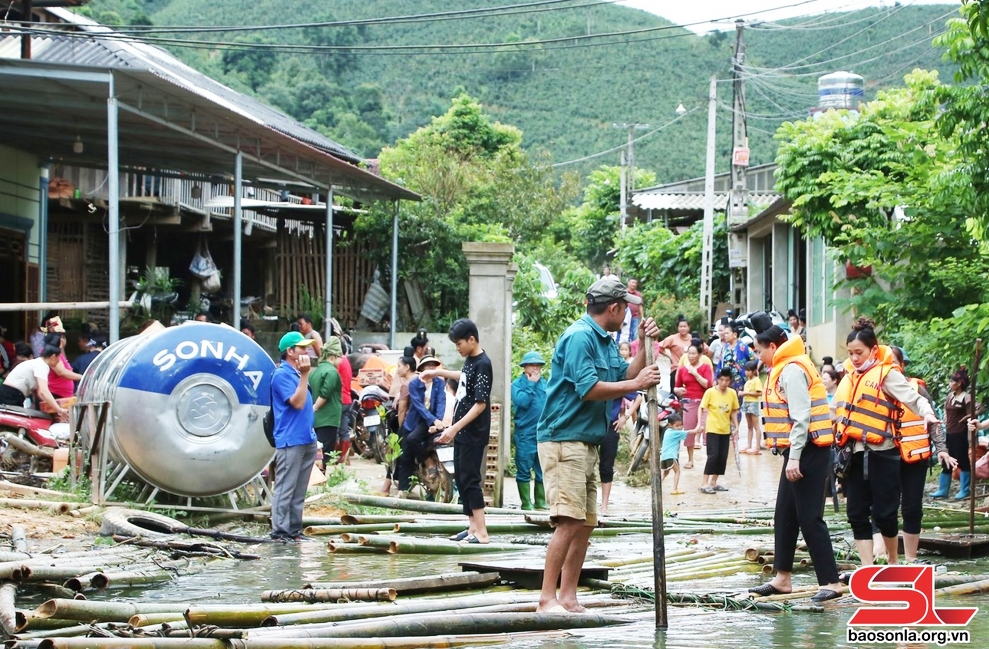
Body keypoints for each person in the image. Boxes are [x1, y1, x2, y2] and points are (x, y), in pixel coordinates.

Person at [535, 276, 662, 613]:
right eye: (627, 312)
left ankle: (569, 595)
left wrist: (642, 343)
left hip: (587, 440)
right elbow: (588, 388)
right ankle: (547, 597)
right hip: (564, 439)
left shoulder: (604, 340)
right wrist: (637, 382)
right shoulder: (579, 337)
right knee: (568, 520)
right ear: (614, 308)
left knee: (586, 522)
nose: (628, 317)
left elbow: (622, 376)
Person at [748, 314, 843, 602]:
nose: (758, 355)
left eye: (760, 350)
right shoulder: (784, 367)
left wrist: (794, 458)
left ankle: (831, 581)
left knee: (810, 517)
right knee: (784, 515)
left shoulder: (791, 370)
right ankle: (782, 578)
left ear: (774, 347)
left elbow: (801, 418)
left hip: (808, 450)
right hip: (797, 450)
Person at [833, 317, 939, 566]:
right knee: (856, 513)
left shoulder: (887, 375)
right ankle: (867, 567)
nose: (855, 358)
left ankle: (893, 561)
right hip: (854, 453)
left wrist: (928, 414)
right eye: (850, 353)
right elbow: (833, 412)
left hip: (883, 453)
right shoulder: (848, 378)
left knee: (886, 514)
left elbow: (914, 399)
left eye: (859, 352)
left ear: (873, 349)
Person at [421, 319, 493, 544]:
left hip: (472, 431)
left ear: (472, 339)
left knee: (470, 478)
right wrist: (438, 373)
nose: (457, 347)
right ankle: (472, 527)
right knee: (461, 477)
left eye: (459, 343)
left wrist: (454, 427)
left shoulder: (483, 363)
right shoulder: (471, 361)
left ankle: (482, 532)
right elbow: (463, 379)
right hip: (462, 430)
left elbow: (480, 404)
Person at [890, 346, 954, 563]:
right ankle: (883, 557)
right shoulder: (876, 388)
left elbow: (934, 423)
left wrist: (942, 449)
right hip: (885, 457)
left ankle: (910, 558)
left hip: (915, 457)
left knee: (911, 507)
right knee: (883, 507)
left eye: (894, 362)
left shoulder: (916, 389)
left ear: (902, 365)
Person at [269, 331, 319, 542]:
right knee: (285, 488)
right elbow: (297, 403)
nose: (306, 350)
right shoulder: (282, 375)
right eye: (301, 348)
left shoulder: (298, 374)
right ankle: (280, 532)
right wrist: (306, 374)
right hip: (291, 440)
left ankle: (293, 531)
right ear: (289, 352)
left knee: (299, 490)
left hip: (307, 438)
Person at [396, 356, 447, 494]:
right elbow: (418, 406)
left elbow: (442, 402)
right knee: (406, 454)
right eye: (427, 366)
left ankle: (430, 462)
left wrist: (438, 421)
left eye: (433, 366)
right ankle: (403, 489)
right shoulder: (414, 384)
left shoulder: (439, 383)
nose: (430, 368)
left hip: (432, 421)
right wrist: (433, 421)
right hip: (415, 421)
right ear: (422, 368)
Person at [512, 351, 548, 511]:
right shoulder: (517, 384)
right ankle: (526, 503)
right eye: (532, 365)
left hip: (542, 434)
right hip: (525, 434)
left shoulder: (546, 384)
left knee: (542, 470)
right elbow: (522, 402)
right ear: (524, 367)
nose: (535, 368)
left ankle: (540, 501)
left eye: (538, 365)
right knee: (524, 469)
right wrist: (531, 385)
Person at [694, 368, 740, 494]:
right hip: (713, 429)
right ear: (718, 380)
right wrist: (699, 423)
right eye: (722, 380)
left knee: (722, 456)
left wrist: (736, 426)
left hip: (725, 429)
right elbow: (701, 408)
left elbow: (734, 411)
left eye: (727, 380)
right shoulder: (710, 392)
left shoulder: (732, 393)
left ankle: (713, 482)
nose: (724, 383)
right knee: (713, 455)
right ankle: (704, 483)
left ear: (730, 381)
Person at [932, 367, 973, 499]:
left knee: (962, 460)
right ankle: (943, 490)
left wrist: (967, 418)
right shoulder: (950, 396)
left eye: (951, 381)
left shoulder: (966, 397)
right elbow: (946, 410)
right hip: (949, 432)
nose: (950, 384)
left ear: (959, 383)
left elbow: (978, 409)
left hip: (960, 434)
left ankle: (965, 489)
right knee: (946, 460)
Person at [0, 346, 68, 420]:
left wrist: (53, 406)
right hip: (11, 394)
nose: (59, 362)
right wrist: (59, 410)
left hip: (12, 393)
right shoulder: (42, 365)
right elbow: (44, 391)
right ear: (53, 357)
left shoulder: (38, 363)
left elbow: (40, 394)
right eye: (59, 359)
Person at [674, 342, 713, 469]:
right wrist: (678, 391)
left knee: (707, 429)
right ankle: (690, 459)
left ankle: (709, 459)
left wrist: (695, 373)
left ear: (700, 354)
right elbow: (676, 386)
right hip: (688, 402)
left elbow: (708, 384)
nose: (690, 356)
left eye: (693, 353)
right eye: (689, 353)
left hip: (704, 402)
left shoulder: (705, 367)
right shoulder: (683, 369)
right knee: (689, 430)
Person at [309, 339, 343, 470]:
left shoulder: (316, 369)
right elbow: (325, 393)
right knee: (323, 456)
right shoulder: (332, 372)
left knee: (315, 453)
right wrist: (315, 408)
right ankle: (319, 482)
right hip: (328, 418)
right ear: (334, 356)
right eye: (340, 357)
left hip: (316, 420)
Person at [42, 320, 81, 399]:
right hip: (56, 395)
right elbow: (61, 372)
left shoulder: (58, 353)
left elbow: (65, 366)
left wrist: (61, 348)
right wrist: (83, 377)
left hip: (62, 395)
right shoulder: (50, 353)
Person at [716, 320, 751, 395]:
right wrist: (716, 378)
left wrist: (749, 373)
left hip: (739, 381)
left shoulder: (742, 347)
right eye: (724, 333)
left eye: (727, 333)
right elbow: (720, 363)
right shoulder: (725, 347)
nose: (725, 335)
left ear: (735, 334)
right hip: (725, 381)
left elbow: (755, 359)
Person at [659, 315, 692, 392]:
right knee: (675, 394)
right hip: (676, 369)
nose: (683, 328)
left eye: (685, 326)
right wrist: (669, 356)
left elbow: (705, 349)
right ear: (677, 327)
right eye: (681, 326)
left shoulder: (693, 338)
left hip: (691, 370)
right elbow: (658, 346)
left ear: (689, 327)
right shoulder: (673, 338)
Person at [740, 361, 764, 454]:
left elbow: (759, 393)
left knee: (756, 426)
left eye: (748, 370)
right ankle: (749, 445)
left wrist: (746, 393)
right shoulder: (748, 381)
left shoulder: (756, 380)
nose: (746, 372)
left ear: (754, 371)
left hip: (753, 404)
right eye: (745, 370)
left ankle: (757, 447)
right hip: (746, 403)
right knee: (749, 426)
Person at [660, 413, 687, 495]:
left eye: (681, 425)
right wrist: (697, 429)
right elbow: (689, 432)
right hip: (671, 456)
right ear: (670, 425)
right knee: (677, 471)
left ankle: (657, 486)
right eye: (677, 426)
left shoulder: (667, 431)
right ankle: (675, 489)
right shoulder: (674, 433)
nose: (679, 428)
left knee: (665, 472)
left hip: (664, 456)